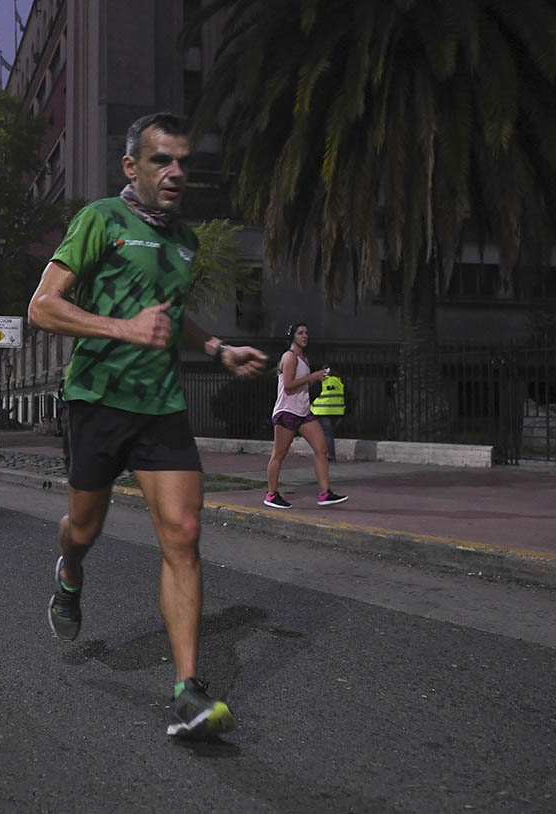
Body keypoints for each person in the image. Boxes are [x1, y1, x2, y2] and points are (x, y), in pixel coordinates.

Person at [28, 112, 268, 739]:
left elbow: (174, 315)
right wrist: (122, 329)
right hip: (97, 400)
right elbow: (43, 306)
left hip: (160, 406)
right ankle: (70, 573)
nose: (177, 172)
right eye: (162, 160)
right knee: (85, 528)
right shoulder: (102, 220)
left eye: (184, 160)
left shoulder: (185, 241)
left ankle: (188, 692)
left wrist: (216, 348)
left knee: (184, 534)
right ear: (132, 167)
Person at [265, 323, 348, 508]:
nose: (305, 336)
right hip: (287, 412)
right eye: (300, 333)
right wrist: (312, 377)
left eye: (306, 333)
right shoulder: (290, 357)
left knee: (321, 448)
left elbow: (301, 386)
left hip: (303, 412)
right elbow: (288, 385)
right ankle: (271, 495)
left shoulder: (304, 358)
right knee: (279, 454)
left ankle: (325, 493)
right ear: (292, 336)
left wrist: (316, 379)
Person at [310, 367, 346, 462]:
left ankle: (329, 455)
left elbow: (311, 395)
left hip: (322, 411)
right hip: (337, 412)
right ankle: (327, 454)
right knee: (329, 434)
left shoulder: (321, 382)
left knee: (325, 434)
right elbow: (348, 396)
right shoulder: (338, 381)